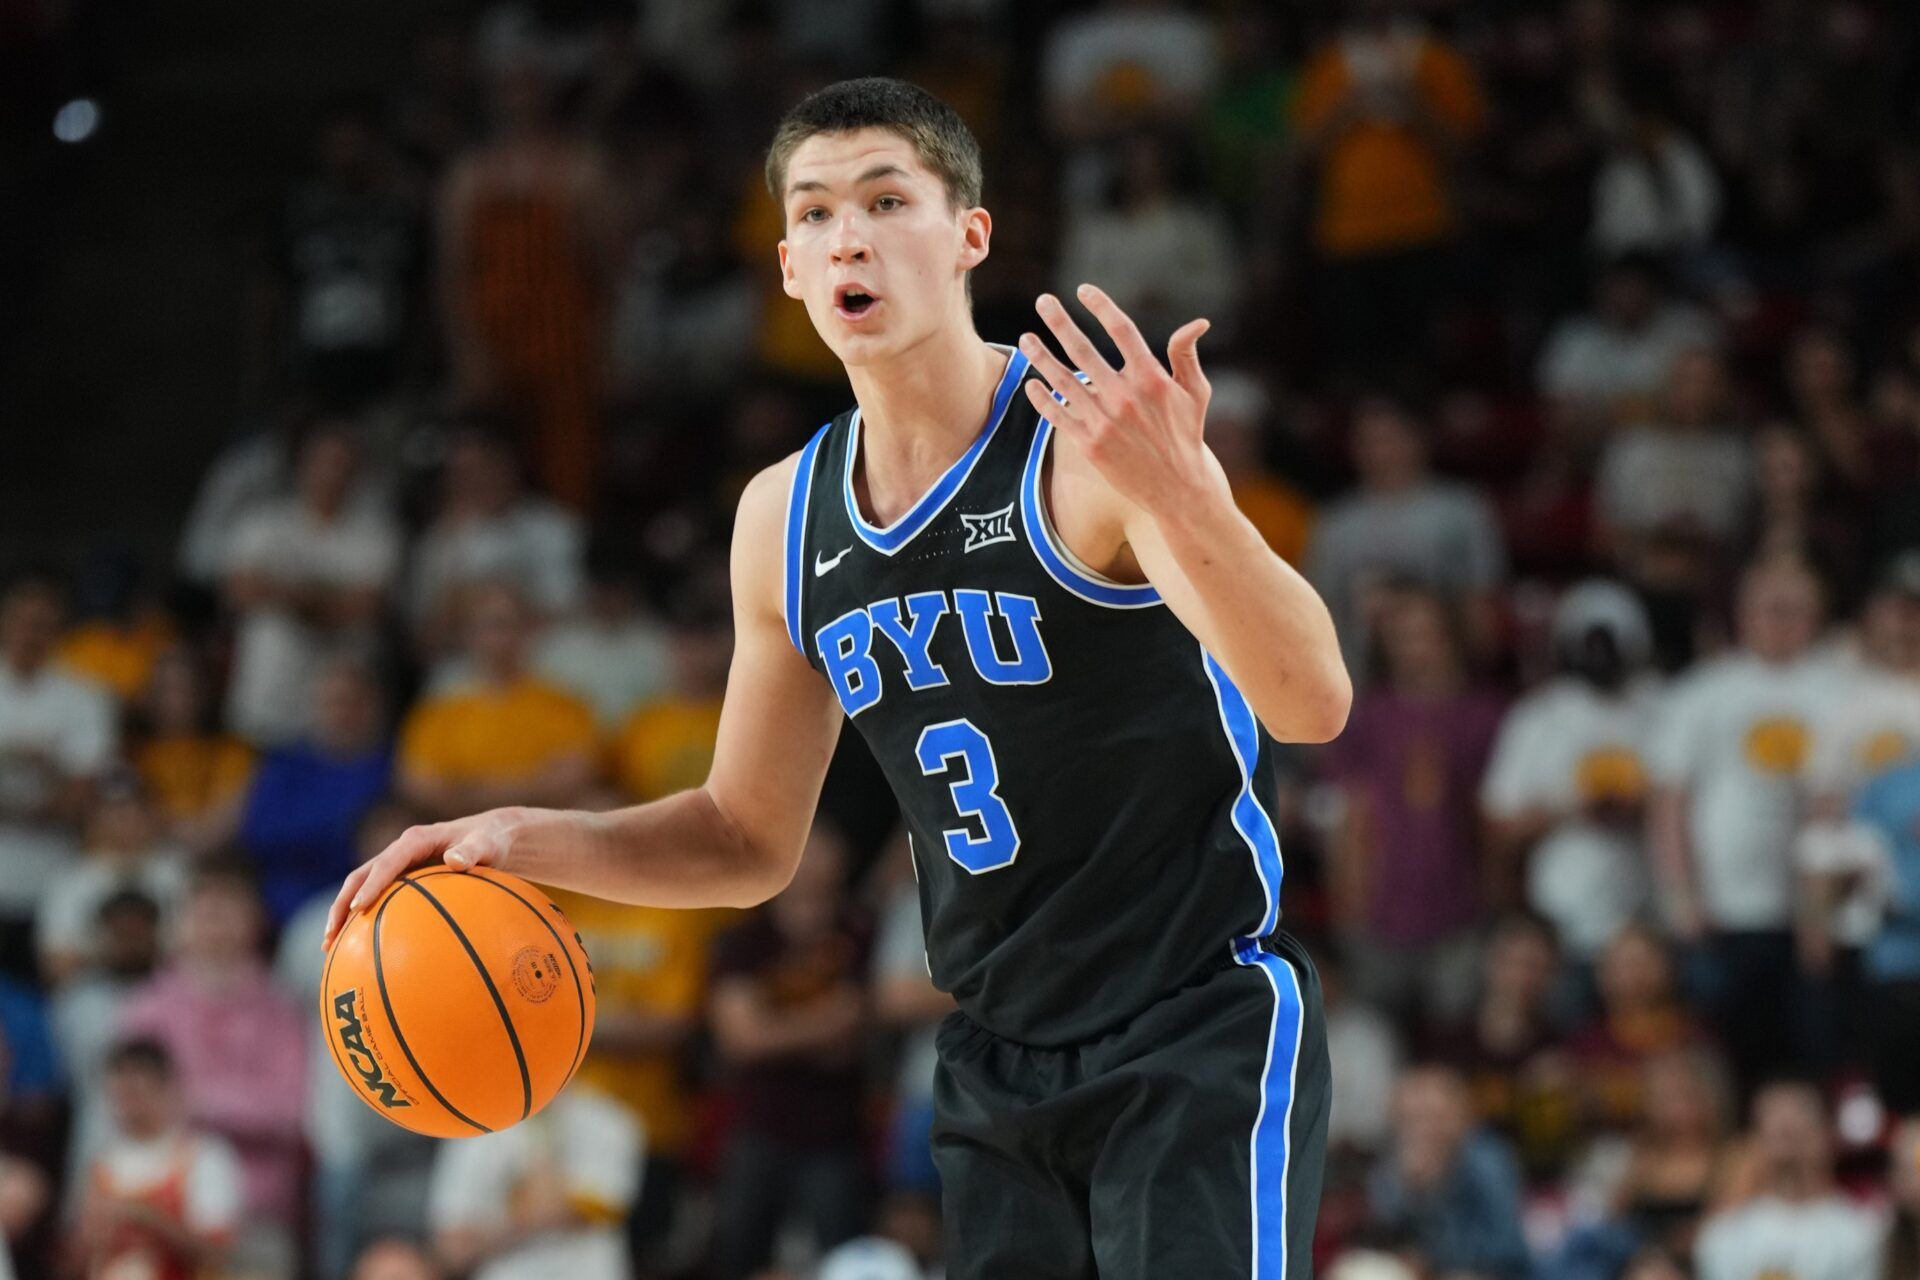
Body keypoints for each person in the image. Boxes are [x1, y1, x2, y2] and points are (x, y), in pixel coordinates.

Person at [331, 77, 1351, 1280]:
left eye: (885, 199)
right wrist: (515, 834)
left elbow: (1313, 699)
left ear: (970, 234)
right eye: (814, 214)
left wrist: (1186, 491)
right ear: (788, 269)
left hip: (1192, 1017)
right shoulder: (781, 516)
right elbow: (744, 838)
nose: (848, 234)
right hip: (995, 1051)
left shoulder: (1088, 446)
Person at [1647, 556, 1834, 1091]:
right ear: (1742, 614)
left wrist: (1818, 916)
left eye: (1795, 609)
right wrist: (1683, 904)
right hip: (1722, 915)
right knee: (1728, 1065)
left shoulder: (1837, 691)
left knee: (1811, 1061)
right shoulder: (1702, 693)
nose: (1782, 621)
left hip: (1810, 919)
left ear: (1816, 616)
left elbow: (1834, 810)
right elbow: (1669, 805)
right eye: (1771, 608)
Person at [117, 864, 306, 1276]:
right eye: (203, 912)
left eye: (228, 911)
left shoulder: (282, 1009)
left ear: (255, 923)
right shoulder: (148, 1007)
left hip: (256, 1215)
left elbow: (291, 1112)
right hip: (157, 1214)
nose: (214, 925)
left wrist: (195, 1100)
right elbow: (129, 1106)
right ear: (179, 924)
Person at [708, 824, 873, 1280]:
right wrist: (819, 1026)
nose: (810, 856)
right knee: (736, 1255)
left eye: (820, 844)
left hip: (836, 1130)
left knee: (847, 1261)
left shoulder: (859, 931)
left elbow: (853, 1025)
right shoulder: (746, 937)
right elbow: (740, 1038)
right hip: (758, 1125)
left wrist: (773, 1027)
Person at [1481, 580, 1661, 959]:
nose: (1600, 656)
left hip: (1649, 920)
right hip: (1561, 916)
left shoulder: (1661, 706)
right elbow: (1499, 825)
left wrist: (1640, 807)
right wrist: (1571, 809)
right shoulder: (1539, 716)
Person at [221, 416, 402, 746]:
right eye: (323, 461)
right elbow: (239, 591)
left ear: (358, 471)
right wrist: (328, 596)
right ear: (302, 465)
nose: (332, 472)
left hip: (345, 705)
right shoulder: (264, 523)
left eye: (343, 463)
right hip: (270, 691)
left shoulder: (377, 532)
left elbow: (364, 606)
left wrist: (284, 593)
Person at [1306, 397, 1509, 673]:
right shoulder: (1335, 524)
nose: (1380, 451)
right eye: (1369, 441)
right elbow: (1318, 611)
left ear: (1418, 440)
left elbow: (1480, 602)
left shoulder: (1460, 511)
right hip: (1357, 680)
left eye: (1390, 438)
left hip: (1443, 679)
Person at [397, 579, 599, 820]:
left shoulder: (563, 705)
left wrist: (472, 789)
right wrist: (530, 783)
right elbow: (421, 786)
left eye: (507, 624)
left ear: (528, 629)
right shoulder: (438, 712)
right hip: (460, 842)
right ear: (468, 634)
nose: (499, 637)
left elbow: (575, 776)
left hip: (542, 833)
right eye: (489, 625)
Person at [0, 570, 118, 980]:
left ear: (59, 632)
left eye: (43, 625)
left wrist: (38, 769)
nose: (30, 634)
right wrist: (46, 769)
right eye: (22, 621)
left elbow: (82, 801)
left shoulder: (85, 699)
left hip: (51, 879)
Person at [67, 1039, 243, 1280]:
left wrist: (146, 1218)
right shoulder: (101, 1164)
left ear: (166, 1089)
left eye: (135, 1093)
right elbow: (71, 1264)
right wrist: (89, 1241)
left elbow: (216, 1255)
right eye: (119, 1096)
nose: (127, 1107)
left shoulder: (205, 1158)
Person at [426, 1083, 640, 1280]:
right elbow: (452, 1248)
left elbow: (575, 1209)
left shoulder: (608, 1120)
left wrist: (495, 1229)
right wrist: (530, 1217)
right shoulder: (477, 1127)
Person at [1692, 1081, 1881, 1280]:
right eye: (1778, 1127)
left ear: (1826, 1134)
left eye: (1799, 1127)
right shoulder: (1723, 1235)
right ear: (1755, 1138)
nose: (1788, 1130)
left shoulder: (1861, 1232)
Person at [1365, 1064, 1530, 1280]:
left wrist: (1440, 1190)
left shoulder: (1488, 1162)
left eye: (1432, 1116)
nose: (1422, 1129)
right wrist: (1416, 1191)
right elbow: (1385, 1244)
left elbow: (1507, 1252)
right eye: (1411, 1119)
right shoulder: (1389, 1171)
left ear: (1459, 1116)